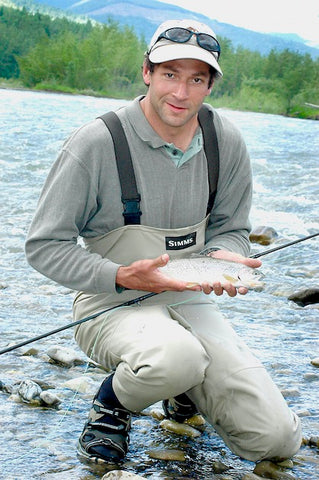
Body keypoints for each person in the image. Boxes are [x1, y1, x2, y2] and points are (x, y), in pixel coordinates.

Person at [25, 18, 301, 466]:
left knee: (276, 443)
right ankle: (111, 408)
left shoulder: (226, 142)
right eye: (170, 74)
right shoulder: (94, 143)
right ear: (146, 72)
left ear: (211, 86)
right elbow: (43, 246)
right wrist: (117, 274)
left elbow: (233, 228)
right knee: (177, 358)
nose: (181, 92)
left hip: (190, 299)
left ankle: (184, 391)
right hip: (109, 301)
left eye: (196, 79)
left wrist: (224, 256)